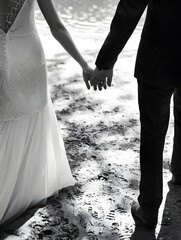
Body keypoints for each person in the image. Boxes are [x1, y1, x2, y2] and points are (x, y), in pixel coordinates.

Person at [91, 0, 181, 239]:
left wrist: (105, 61)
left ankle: (149, 208)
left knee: (153, 131)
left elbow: (130, 9)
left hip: (158, 58)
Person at [0, 0, 92, 225]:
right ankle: (22, 189)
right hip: (28, 57)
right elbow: (57, 27)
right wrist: (84, 65)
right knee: (29, 118)